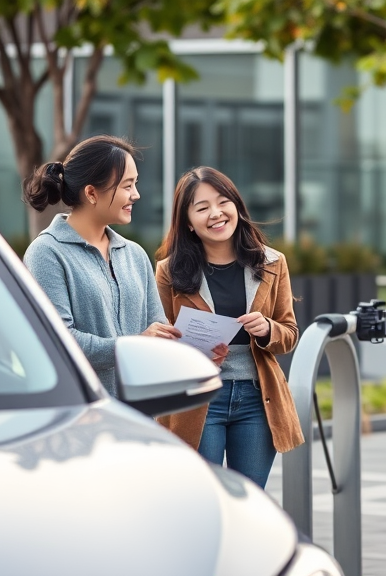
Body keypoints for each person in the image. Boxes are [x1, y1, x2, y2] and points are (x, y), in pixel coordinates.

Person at [154, 166, 303, 488]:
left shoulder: (272, 263)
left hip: (256, 398)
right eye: (202, 207)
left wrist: (266, 329)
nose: (216, 213)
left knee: (249, 499)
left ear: (237, 206)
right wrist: (194, 357)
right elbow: (159, 342)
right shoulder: (168, 272)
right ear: (188, 222)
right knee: (206, 497)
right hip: (199, 397)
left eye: (223, 202)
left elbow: (289, 333)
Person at [22, 135, 180, 397]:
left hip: (140, 415)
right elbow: (60, 341)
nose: (136, 195)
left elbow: (156, 331)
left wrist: (197, 352)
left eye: (135, 184)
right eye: (127, 186)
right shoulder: (46, 253)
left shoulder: (135, 255)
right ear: (92, 193)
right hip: (82, 415)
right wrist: (135, 345)